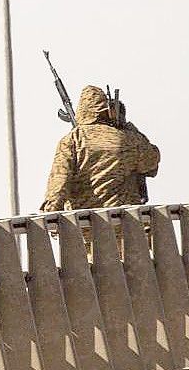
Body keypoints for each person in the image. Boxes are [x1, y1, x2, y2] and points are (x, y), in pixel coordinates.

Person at [40, 85, 159, 255]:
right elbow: (152, 162)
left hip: (87, 232)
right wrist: (130, 128)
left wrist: (50, 215)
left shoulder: (73, 140)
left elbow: (59, 182)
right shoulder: (128, 138)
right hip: (129, 230)